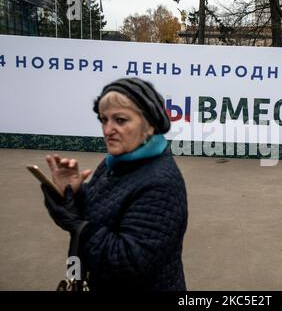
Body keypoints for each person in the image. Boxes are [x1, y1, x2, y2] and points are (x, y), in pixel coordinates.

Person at [40, 77, 188, 291]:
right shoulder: (115, 162)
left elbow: (129, 262)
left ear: (149, 125)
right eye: (104, 120)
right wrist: (74, 192)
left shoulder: (160, 184)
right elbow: (101, 213)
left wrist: (77, 226)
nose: (108, 130)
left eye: (120, 120)